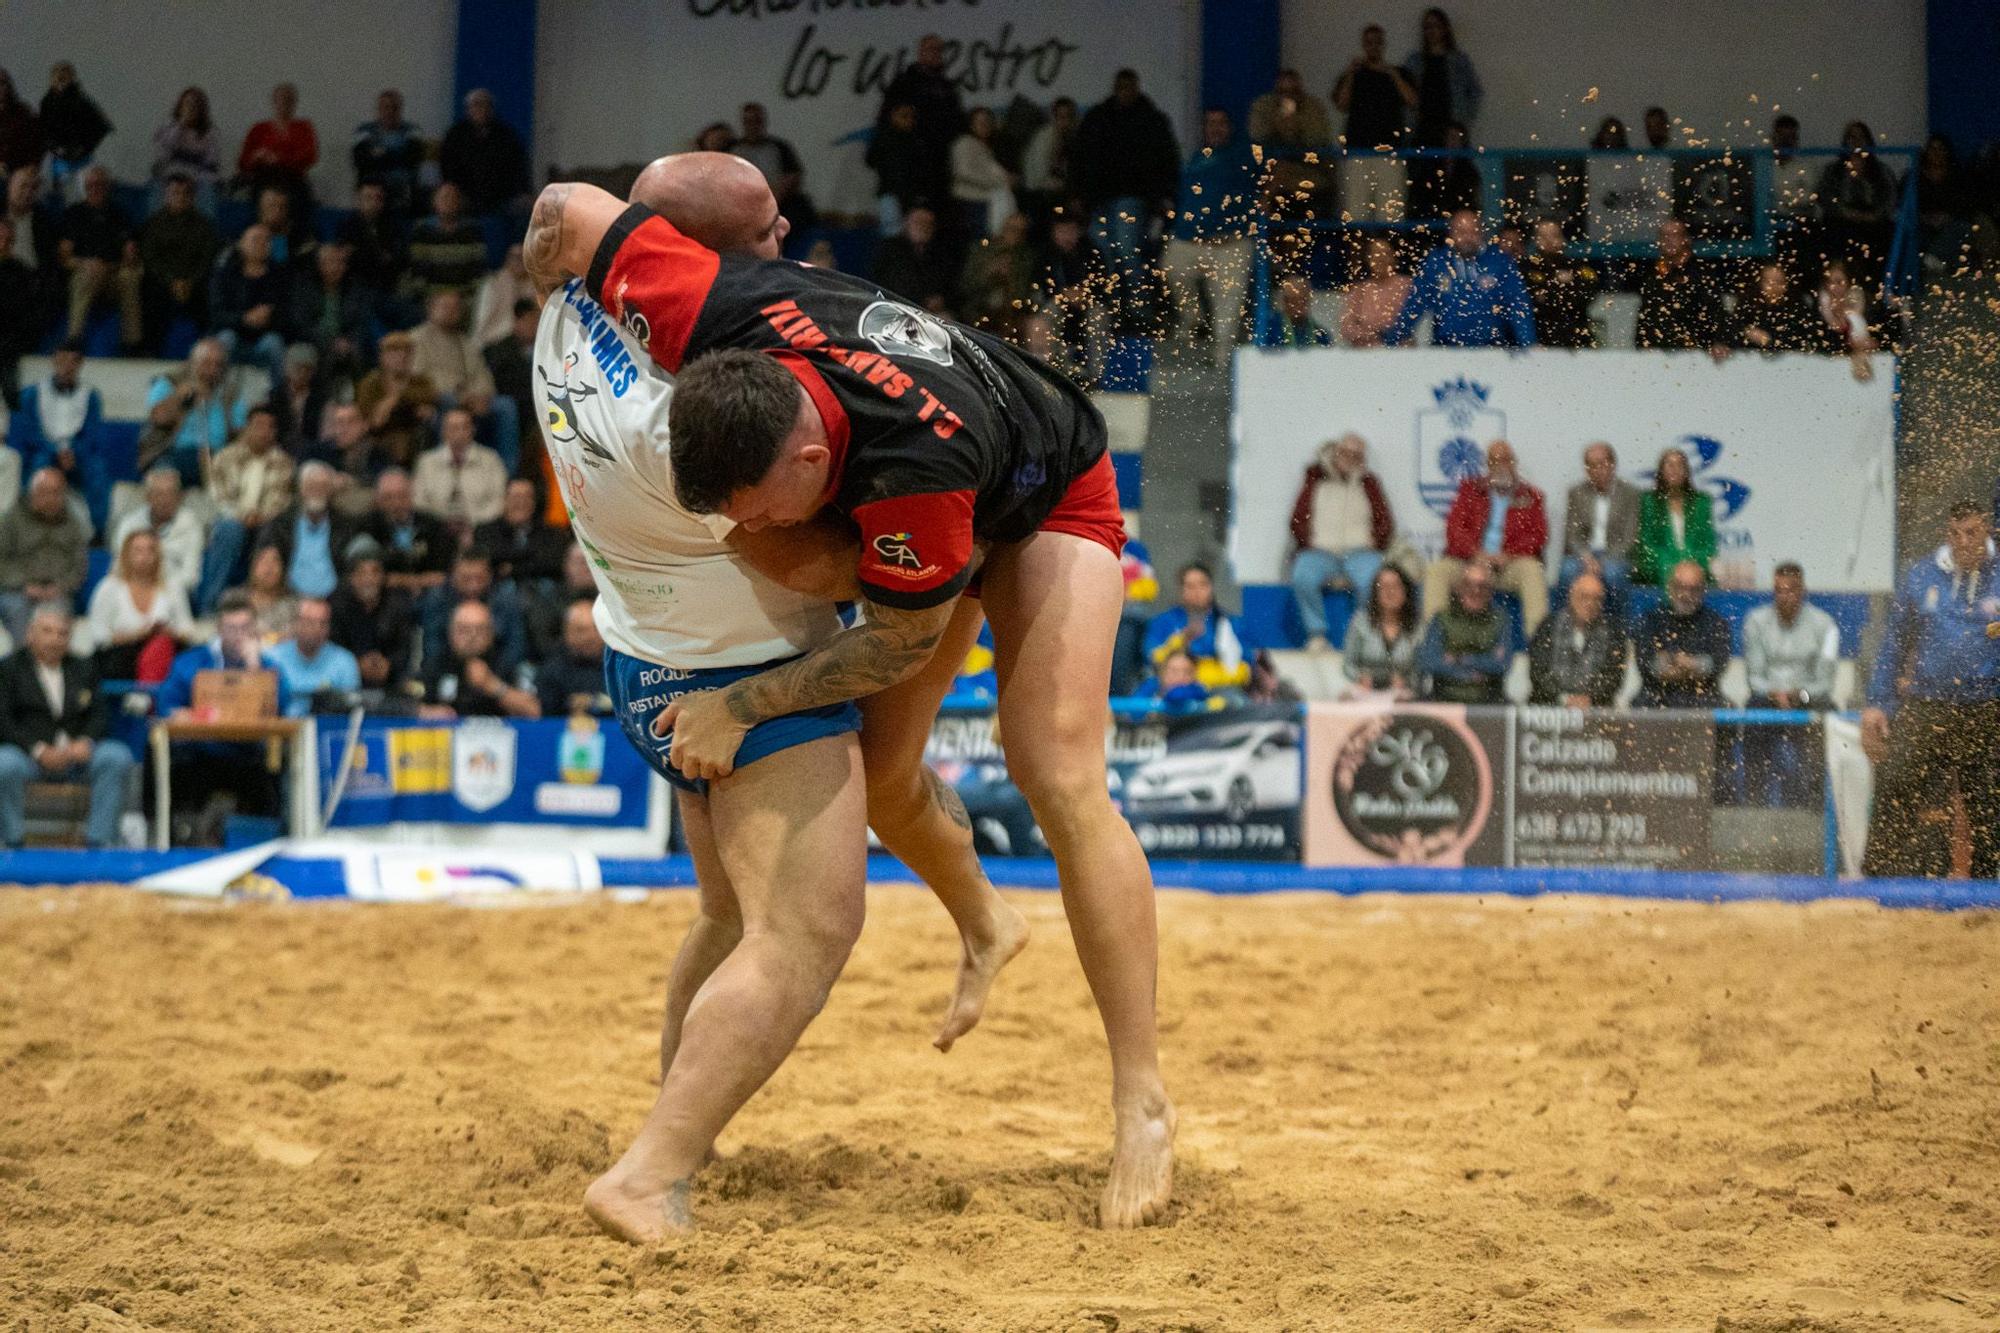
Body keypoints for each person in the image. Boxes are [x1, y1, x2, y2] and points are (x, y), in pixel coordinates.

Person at [528, 162, 1168, 1231]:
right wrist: (554, 282)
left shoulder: (909, 474)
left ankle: (1139, 1098)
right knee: (875, 779)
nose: (737, 526)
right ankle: (983, 923)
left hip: (1044, 485)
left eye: (752, 511)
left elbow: (898, 634)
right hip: (924, 474)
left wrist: (742, 705)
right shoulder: (709, 300)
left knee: (1054, 770)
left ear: (815, 462)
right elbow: (563, 207)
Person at [1861, 500, 1999, 878]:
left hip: (1988, 707)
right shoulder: (1921, 575)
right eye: (1955, 533)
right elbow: (1893, 643)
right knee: (1895, 784)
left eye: (1971, 532)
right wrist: (1877, 705)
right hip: (1928, 704)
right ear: (1946, 534)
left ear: (1987, 530)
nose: (1963, 541)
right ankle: (1878, 886)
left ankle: (1991, 896)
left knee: (1992, 806)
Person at [155, 592, 291, 840]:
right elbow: (167, 705)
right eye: (232, 628)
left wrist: (254, 667)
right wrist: (183, 714)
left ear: (255, 629)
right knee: (179, 765)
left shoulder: (267, 665)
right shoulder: (193, 662)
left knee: (271, 776)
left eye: (246, 628)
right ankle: (176, 840)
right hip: (202, 753)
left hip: (249, 754)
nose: (239, 635)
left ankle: (267, 844)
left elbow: (281, 707)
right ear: (219, 628)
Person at [0, 603, 134, 849]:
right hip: (28, 756)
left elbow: (100, 715)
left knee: (116, 756)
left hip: (76, 757)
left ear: (70, 637)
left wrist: (86, 742)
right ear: (31, 634)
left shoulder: (84, 667)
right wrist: (38, 750)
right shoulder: (9, 668)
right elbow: (4, 720)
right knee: (3, 763)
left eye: (62, 633)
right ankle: (12, 842)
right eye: (47, 631)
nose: (54, 639)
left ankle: (100, 842)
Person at [1075, 69, 1180, 332]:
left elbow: (1166, 159)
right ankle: (1115, 307)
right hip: (1099, 200)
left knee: (1126, 251)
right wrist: (1080, 195)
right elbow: (1080, 157)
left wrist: (1163, 195)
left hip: (1133, 197)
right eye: (1121, 86)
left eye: (1128, 86)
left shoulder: (1151, 120)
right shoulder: (1099, 118)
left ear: (1136, 87)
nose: (1125, 92)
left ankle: (1139, 308)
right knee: (1104, 251)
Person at [1424, 439, 1549, 635]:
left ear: (1515, 463)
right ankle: (1434, 641)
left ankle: (1538, 644)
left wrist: (1508, 555)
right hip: (1470, 562)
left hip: (1508, 565)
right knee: (1436, 572)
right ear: (1487, 465)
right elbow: (1454, 529)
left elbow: (1538, 536)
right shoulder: (1470, 491)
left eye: (1507, 460)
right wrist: (1476, 554)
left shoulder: (1531, 496)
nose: (1502, 465)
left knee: (1532, 571)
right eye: (1495, 461)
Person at [1162, 108, 1257, 365]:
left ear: (1230, 127)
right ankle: (1192, 319)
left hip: (1230, 243)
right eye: (1211, 124)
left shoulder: (1243, 154)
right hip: (1190, 241)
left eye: (1221, 123)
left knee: (1227, 308)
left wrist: (1266, 199)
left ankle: (1222, 361)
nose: (1216, 128)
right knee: (1172, 269)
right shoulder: (1195, 158)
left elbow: (1272, 175)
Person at [1740, 561, 1840, 801]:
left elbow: (1825, 684)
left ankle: (1816, 804)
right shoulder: (1755, 621)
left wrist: (1799, 694)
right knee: (1752, 711)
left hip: (1808, 699)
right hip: (1768, 699)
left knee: (1828, 715)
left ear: (1802, 591)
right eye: (1779, 590)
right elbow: (1754, 678)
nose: (1784, 596)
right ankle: (1754, 802)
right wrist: (1776, 693)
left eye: (1791, 590)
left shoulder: (1825, 625)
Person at [1288, 434, 1395, 650]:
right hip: (1320, 551)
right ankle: (1316, 634)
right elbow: (1297, 519)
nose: (1351, 458)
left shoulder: (1370, 484)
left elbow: (1385, 521)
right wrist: (1306, 541)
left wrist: (1375, 541)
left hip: (1360, 552)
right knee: (1302, 576)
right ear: (1336, 452)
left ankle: (1363, 636)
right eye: (1346, 452)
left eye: (1357, 454)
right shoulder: (1314, 480)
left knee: (1373, 578)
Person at [195, 405, 296, 614]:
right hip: (232, 520)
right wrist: (241, 516)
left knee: (272, 529)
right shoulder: (225, 457)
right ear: (246, 428)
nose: (263, 432)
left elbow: (281, 501)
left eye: (269, 428)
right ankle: (211, 607)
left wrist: (259, 516)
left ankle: (261, 607)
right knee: (229, 529)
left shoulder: (284, 463)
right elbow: (216, 496)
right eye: (258, 425)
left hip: (265, 522)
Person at [1385, 209, 1534, 347]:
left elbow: (1518, 304)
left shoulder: (1500, 262)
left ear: (1482, 232)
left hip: (1491, 349)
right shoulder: (1437, 262)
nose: (1467, 238)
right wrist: (1395, 339)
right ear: (1451, 234)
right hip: (1447, 349)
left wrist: (1528, 342)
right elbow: (1415, 302)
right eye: (1461, 232)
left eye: (1473, 232)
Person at [11, 341, 111, 532]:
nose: (67, 366)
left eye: (73, 361)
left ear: (80, 364)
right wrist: (55, 451)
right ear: (54, 361)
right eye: (62, 360)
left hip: (77, 452)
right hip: (44, 450)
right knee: (39, 468)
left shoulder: (90, 396)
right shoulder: (33, 394)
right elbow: (30, 432)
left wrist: (72, 451)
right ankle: (28, 525)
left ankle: (98, 530)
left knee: (97, 470)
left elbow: (91, 433)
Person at [1402, 9, 1482, 220]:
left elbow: (1475, 93)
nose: (1432, 31)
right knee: (1422, 188)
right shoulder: (1415, 61)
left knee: (1454, 187)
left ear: (1445, 29)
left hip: (1451, 133)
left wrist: (1460, 124)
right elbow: (1404, 96)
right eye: (1427, 26)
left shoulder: (1458, 60)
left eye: (1436, 26)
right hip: (1422, 132)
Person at [86, 528, 195, 681]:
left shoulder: (172, 587)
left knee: (165, 647)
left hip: (164, 651)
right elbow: (99, 636)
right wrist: (138, 634)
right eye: (138, 550)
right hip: (122, 656)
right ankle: (145, 695)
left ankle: (143, 697)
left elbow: (187, 630)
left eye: (150, 550)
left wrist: (168, 631)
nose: (144, 556)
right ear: (126, 555)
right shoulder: (109, 588)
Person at [140, 337, 249, 487]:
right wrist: (179, 397)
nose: (212, 370)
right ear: (192, 363)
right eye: (206, 363)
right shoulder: (169, 383)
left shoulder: (229, 395)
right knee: (164, 477)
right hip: (173, 454)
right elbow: (159, 418)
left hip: (217, 456)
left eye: (218, 365)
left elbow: (241, 434)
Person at [1334, 27, 1417, 225]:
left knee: (1391, 216)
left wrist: (1393, 74)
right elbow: (1341, 104)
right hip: (1358, 153)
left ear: (1383, 44)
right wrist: (1350, 74)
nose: (1373, 47)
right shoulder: (1353, 75)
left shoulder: (1399, 73)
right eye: (1369, 42)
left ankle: (1388, 255)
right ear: (1364, 45)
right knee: (1355, 217)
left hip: (1390, 153)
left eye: (1377, 42)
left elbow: (1412, 100)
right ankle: (1358, 255)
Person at [875, 34, 964, 211]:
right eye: (931, 49)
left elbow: (957, 120)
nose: (936, 54)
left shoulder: (946, 87)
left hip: (940, 164)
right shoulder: (904, 82)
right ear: (920, 52)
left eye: (939, 50)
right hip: (910, 163)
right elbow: (888, 120)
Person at [57, 165, 142, 349]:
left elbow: (130, 251)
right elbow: (64, 256)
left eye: (101, 184)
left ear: (108, 186)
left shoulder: (120, 215)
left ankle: (132, 344)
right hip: (84, 271)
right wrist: (86, 263)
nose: (96, 188)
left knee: (130, 276)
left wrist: (129, 257)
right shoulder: (74, 214)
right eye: (91, 185)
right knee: (88, 275)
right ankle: (74, 340)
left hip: (113, 272)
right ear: (85, 187)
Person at [0, 469, 87, 642]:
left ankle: (51, 664)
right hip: (17, 590)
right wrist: (25, 586)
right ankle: (26, 662)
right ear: (32, 493)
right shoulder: (10, 520)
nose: (50, 499)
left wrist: (60, 587)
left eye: (56, 493)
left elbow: (79, 566)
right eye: (44, 492)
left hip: (57, 592)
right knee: (18, 611)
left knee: (55, 622)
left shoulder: (73, 524)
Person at [253, 460, 356, 601]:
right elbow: (263, 563)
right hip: (289, 599)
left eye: (323, 487)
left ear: (331, 492)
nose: (317, 492)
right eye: (311, 486)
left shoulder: (346, 526)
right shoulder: (280, 525)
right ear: (301, 489)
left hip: (335, 601)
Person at [139, 172, 221, 348]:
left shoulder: (204, 226)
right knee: (151, 296)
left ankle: (207, 350)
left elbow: (207, 259)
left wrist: (189, 282)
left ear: (192, 197)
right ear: (166, 196)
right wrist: (172, 282)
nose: (180, 197)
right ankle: (149, 352)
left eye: (186, 193)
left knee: (209, 295)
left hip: (195, 283)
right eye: (175, 192)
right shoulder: (153, 224)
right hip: (162, 282)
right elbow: (150, 259)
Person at [1632, 561, 1729, 708]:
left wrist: (1676, 662)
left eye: (1694, 589)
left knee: (1726, 713)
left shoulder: (1716, 623)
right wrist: (1692, 666)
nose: (1686, 594)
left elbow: (1716, 667)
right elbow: (1647, 666)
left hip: (1702, 695)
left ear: (1703, 590)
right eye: (1680, 587)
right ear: (1670, 588)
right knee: (1641, 705)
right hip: (1657, 694)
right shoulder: (1650, 620)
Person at [419, 600, 538, 719]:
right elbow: (406, 704)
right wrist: (427, 711)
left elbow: (534, 711)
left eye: (480, 629)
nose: (472, 637)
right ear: (451, 633)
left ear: (491, 633)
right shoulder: (436, 665)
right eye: (464, 630)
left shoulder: (508, 662)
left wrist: (492, 685)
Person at [1557, 441, 1640, 607]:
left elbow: (1630, 538)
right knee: (1567, 571)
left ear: (1613, 465)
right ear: (1586, 469)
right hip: (1584, 555)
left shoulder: (1630, 493)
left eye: (1602, 464)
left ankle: (1618, 626)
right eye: (1592, 466)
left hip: (1614, 555)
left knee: (1613, 574)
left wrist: (1603, 561)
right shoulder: (1577, 493)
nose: (1598, 470)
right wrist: (1586, 558)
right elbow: (1572, 535)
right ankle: (1566, 625)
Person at [1417, 561, 1512, 704]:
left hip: (1488, 700)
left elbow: (1502, 665)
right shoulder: (1441, 618)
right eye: (1469, 585)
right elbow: (1429, 661)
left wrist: (1460, 659)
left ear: (1491, 592)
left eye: (1482, 586)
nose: (1475, 591)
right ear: (1459, 588)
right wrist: (1474, 670)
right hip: (1444, 697)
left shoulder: (1500, 619)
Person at [1145, 563, 1250, 692]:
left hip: (1218, 690)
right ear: (1181, 590)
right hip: (1170, 691)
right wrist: (1181, 640)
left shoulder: (1229, 623)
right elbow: (1151, 657)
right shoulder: (1163, 621)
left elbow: (1246, 664)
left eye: (1203, 585)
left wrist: (1206, 676)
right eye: (1190, 586)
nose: (1197, 591)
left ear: (1211, 588)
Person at [1526, 572, 1626, 706]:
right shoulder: (1548, 626)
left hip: (1595, 708)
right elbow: (1538, 673)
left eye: (1596, 599)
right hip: (1550, 706)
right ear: (1571, 597)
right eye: (1584, 597)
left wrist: (1590, 699)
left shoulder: (1613, 633)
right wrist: (1564, 698)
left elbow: (1613, 678)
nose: (1590, 604)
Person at [208, 224, 291, 382]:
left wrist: (268, 318)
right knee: (226, 338)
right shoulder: (224, 274)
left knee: (275, 343)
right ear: (241, 244)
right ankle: (217, 393)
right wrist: (244, 319)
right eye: (255, 240)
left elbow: (288, 316)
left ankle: (279, 398)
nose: (261, 244)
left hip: (264, 340)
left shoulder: (280, 276)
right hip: (233, 337)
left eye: (266, 240)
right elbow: (216, 314)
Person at [1817, 120, 1897, 282]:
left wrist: (1873, 216)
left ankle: (1875, 288)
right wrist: (1847, 213)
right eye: (1852, 137)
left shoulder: (1882, 171)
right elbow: (1825, 197)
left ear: (1869, 141)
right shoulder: (1833, 170)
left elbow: (1890, 198)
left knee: (1884, 235)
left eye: (1861, 137)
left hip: (1873, 221)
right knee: (1829, 232)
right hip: (1841, 219)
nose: (1856, 141)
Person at [109, 466, 207, 596]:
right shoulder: (129, 524)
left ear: (179, 497)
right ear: (148, 497)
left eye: (170, 493)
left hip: (176, 594)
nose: (164, 500)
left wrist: (158, 591)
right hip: (132, 593)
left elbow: (191, 576)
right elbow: (118, 568)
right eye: (158, 494)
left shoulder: (191, 524)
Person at [328, 546, 416, 690]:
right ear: (352, 578)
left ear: (383, 577)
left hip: (390, 678)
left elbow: (405, 648)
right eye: (362, 573)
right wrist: (356, 664)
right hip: (348, 677)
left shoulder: (398, 606)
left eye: (375, 572)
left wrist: (389, 665)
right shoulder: (337, 606)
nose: (368, 579)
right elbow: (333, 647)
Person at [413, 406, 509, 536]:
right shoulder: (426, 462)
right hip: (436, 529)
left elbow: (499, 500)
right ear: (443, 431)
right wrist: (443, 522)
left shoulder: (491, 460)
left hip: (482, 528)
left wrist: (473, 523)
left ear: (472, 430)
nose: (459, 433)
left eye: (464, 427)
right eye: (453, 428)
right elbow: (418, 500)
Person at [1635, 219, 1726, 353]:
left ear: (1686, 239)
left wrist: (1718, 341)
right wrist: (1641, 345)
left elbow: (1715, 312)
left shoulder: (1701, 275)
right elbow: (1646, 316)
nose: (1668, 240)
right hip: (1656, 354)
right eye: (1664, 235)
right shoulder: (1653, 275)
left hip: (1696, 354)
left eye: (1674, 235)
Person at [291, 244, 375, 388]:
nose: (337, 267)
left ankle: (361, 398)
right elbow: (301, 323)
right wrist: (330, 341)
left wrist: (349, 340)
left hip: (347, 340)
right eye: (331, 262)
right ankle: (321, 400)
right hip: (315, 340)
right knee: (326, 355)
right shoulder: (305, 288)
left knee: (359, 351)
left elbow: (361, 321)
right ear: (320, 265)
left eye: (341, 262)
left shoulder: (354, 289)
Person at [1632, 446, 1716, 588]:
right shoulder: (1650, 501)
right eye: (1670, 465)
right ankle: (1673, 607)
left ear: (1687, 471)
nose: (1675, 469)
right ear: (1661, 471)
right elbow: (1646, 543)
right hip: (1659, 562)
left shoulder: (1702, 502)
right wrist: (1675, 559)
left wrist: (1687, 559)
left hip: (1694, 560)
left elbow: (1708, 543)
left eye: (1680, 465)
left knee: (1695, 571)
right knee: (1667, 567)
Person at [354, 330, 439, 467]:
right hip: (380, 434)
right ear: (383, 357)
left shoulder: (421, 381)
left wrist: (396, 398)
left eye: (406, 354)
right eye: (395, 354)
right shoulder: (370, 383)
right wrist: (398, 402)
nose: (401, 358)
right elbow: (372, 417)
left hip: (413, 432)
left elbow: (430, 396)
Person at [439, 89, 530, 218]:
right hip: (465, 193)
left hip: (502, 195)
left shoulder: (506, 135)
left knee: (524, 206)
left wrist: (522, 191)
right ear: (468, 109)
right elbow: (447, 167)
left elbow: (519, 166)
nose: (481, 109)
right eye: (476, 105)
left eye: (485, 105)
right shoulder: (455, 135)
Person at [363, 467, 453, 592]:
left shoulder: (433, 525)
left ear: (412, 494)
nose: (396, 503)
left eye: (402, 496)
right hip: (385, 595)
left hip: (429, 593)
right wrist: (418, 580)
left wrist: (402, 580)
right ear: (378, 500)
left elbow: (442, 576)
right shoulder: (367, 527)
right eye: (388, 497)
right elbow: (371, 577)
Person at [266, 596, 359, 714]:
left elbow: (352, 711)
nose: (317, 629)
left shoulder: (345, 662)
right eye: (309, 622)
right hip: (280, 729)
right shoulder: (272, 658)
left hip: (326, 728)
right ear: (296, 623)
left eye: (323, 623)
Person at [957, 212, 1040, 340]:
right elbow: (966, 286)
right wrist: (990, 274)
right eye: (1012, 229)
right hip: (979, 308)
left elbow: (1025, 293)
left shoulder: (1027, 258)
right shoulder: (981, 251)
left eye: (1021, 231)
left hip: (1011, 314)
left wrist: (1011, 276)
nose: (1015, 234)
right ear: (1003, 229)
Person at [1340, 565, 1419, 697]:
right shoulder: (1360, 622)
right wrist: (1360, 677)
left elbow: (1421, 668)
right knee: (1346, 698)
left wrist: (1406, 681)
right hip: (1365, 689)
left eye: (1396, 586)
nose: (1390, 592)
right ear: (1375, 593)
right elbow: (1348, 664)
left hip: (1402, 693)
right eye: (1384, 587)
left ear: (1406, 590)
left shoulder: (1418, 626)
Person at [237, 83, 319, 209]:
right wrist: (257, 157)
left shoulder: (304, 128)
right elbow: (243, 161)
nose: (284, 104)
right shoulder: (258, 129)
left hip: (293, 181)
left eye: (288, 100)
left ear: (294, 103)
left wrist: (279, 159)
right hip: (264, 181)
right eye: (280, 99)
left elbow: (310, 156)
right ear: (273, 101)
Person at [1521, 220, 1599, 349]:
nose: (1549, 241)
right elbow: (1532, 302)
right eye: (1543, 236)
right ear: (1535, 240)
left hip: (1576, 339)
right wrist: (1562, 287)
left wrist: (1550, 292)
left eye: (1554, 235)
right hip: (1541, 339)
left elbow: (1584, 298)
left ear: (1563, 239)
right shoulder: (1526, 268)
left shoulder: (1578, 268)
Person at [734, 103, 812, 231]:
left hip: (778, 203)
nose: (753, 126)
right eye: (749, 121)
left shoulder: (779, 147)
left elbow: (793, 176)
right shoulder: (733, 148)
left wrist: (771, 199)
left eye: (756, 121)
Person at [475, 477, 567, 586]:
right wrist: (530, 557)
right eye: (516, 497)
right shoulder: (486, 531)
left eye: (527, 497)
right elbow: (490, 560)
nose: (521, 502)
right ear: (504, 499)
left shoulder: (551, 533)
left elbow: (553, 563)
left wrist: (513, 568)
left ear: (534, 502)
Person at [40, 63, 111, 199]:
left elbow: (101, 127)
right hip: (58, 159)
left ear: (72, 78)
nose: (61, 80)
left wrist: (84, 147)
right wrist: (53, 147)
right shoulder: (47, 102)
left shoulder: (82, 101)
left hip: (82, 159)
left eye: (64, 76)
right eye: (58, 76)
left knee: (84, 194)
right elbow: (44, 130)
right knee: (57, 196)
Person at [406, 181, 488, 299]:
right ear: (434, 201)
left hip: (464, 297)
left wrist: (465, 297)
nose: (448, 201)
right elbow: (417, 272)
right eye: (444, 197)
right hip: (431, 297)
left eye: (453, 197)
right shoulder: (421, 231)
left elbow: (478, 271)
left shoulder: (472, 232)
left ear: (460, 202)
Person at [351, 89, 424, 217]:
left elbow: (413, 159)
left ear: (400, 109)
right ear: (378, 109)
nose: (390, 112)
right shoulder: (364, 131)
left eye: (394, 108)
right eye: (385, 107)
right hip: (372, 188)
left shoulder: (413, 131)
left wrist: (379, 154)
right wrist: (398, 154)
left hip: (404, 189)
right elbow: (360, 161)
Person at [872, 204, 954, 315]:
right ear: (907, 223)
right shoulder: (891, 250)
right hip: (897, 310)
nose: (923, 227)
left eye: (928, 224)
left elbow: (948, 286)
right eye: (918, 222)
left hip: (931, 313)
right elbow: (891, 285)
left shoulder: (939, 253)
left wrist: (942, 300)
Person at [948, 107, 1016, 241]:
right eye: (980, 122)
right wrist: (1000, 182)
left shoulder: (986, 146)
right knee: (980, 242)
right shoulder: (964, 143)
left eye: (988, 121)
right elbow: (964, 172)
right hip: (971, 203)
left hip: (986, 202)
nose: (985, 125)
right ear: (971, 124)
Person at [537, 600, 614, 718]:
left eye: (596, 628)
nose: (591, 636)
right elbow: (544, 715)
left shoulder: (619, 666)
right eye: (582, 630)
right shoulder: (552, 670)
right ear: (567, 633)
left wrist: (593, 702)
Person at [335, 180, 408, 301]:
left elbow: (399, 258)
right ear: (358, 200)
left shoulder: (392, 226)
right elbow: (349, 260)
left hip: (388, 287)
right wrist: (378, 256)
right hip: (357, 289)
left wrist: (367, 254)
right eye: (368, 198)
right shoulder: (347, 227)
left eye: (378, 198)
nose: (374, 203)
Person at [151, 87, 220, 214]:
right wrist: (180, 125)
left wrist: (192, 179)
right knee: (158, 185)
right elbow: (162, 157)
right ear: (180, 105)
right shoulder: (167, 127)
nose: (192, 108)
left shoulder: (209, 134)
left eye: (196, 105)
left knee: (207, 190)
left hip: (196, 180)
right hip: (169, 176)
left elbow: (212, 168)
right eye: (188, 103)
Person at [866, 102, 927, 237]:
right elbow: (870, 161)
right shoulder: (884, 137)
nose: (909, 120)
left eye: (912, 117)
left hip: (910, 195)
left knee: (912, 235)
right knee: (892, 234)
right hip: (890, 193)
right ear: (893, 116)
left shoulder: (916, 141)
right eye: (904, 116)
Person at [1339, 237, 1411, 347]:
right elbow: (1346, 327)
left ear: (1394, 257)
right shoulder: (1360, 290)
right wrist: (1370, 334)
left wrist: (1387, 334)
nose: (1380, 259)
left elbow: (1413, 319)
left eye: (1385, 254)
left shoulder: (1407, 285)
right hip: (1365, 351)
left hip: (1398, 349)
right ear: (1368, 259)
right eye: (1375, 254)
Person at [1730, 262, 1817, 353]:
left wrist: (1770, 340)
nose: (1773, 287)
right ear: (1759, 281)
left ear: (1786, 284)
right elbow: (1733, 328)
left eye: (1779, 282)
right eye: (1768, 281)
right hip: (1748, 358)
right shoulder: (1747, 301)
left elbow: (1805, 336)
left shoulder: (1797, 305)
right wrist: (1746, 332)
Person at [240, 543, 300, 643]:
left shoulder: (293, 606)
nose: (269, 568)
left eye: (275, 561)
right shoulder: (236, 599)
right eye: (263, 561)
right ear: (253, 567)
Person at [0, 69, 44, 179]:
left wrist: (31, 168)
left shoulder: (24, 113)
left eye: (2, 83)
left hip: (19, 174)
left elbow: (38, 144)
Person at [1144, 649, 1214, 715]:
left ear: (1194, 676)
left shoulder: (1198, 691)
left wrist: (1161, 701)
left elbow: (1177, 695)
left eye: (1187, 672)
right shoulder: (1152, 688)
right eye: (1174, 671)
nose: (1181, 677)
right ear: (1162, 673)